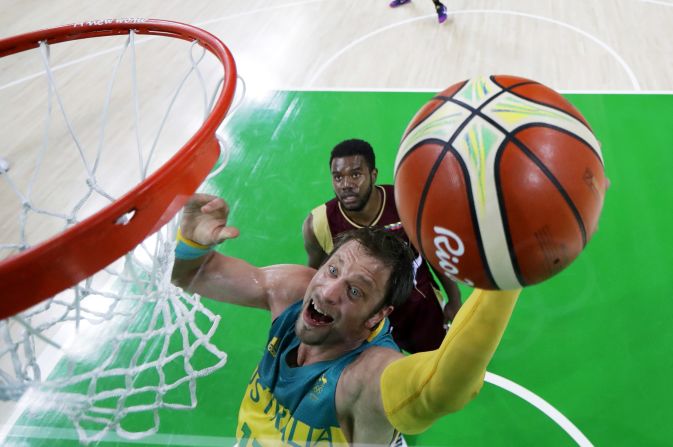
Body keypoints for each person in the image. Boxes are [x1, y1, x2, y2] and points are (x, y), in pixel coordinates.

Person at [172, 193, 520, 446]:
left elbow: (444, 387)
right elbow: (188, 275)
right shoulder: (293, 290)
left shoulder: (368, 375)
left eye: (355, 292)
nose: (326, 292)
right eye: (333, 270)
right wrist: (191, 242)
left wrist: (505, 280)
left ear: (378, 316)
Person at [302, 138, 461, 353]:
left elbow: (433, 254)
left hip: (421, 309)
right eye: (338, 177)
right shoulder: (319, 223)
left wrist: (454, 299)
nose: (346, 184)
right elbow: (313, 275)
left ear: (373, 175)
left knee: (435, 366)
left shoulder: (405, 201)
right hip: (364, 323)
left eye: (355, 175)